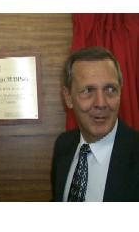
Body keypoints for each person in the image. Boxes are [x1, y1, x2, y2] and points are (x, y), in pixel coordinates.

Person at [51, 46, 139, 201]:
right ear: (68, 97)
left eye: (110, 89)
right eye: (88, 90)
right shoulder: (63, 145)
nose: (101, 103)